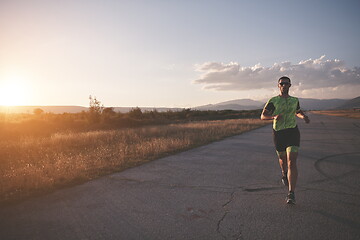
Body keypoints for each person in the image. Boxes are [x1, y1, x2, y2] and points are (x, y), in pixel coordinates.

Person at [261, 76, 310, 204]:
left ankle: (291, 193)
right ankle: (284, 173)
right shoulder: (273, 100)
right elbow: (263, 116)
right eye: (281, 83)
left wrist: (303, 116)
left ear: (290, 85)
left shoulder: (295, 100)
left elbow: (297, 111)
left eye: (286, 83)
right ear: (278, 86)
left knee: (291, 162)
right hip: (278, 133)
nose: (284, 85)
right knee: (282, 160)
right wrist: (274, 117)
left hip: (292, 131)